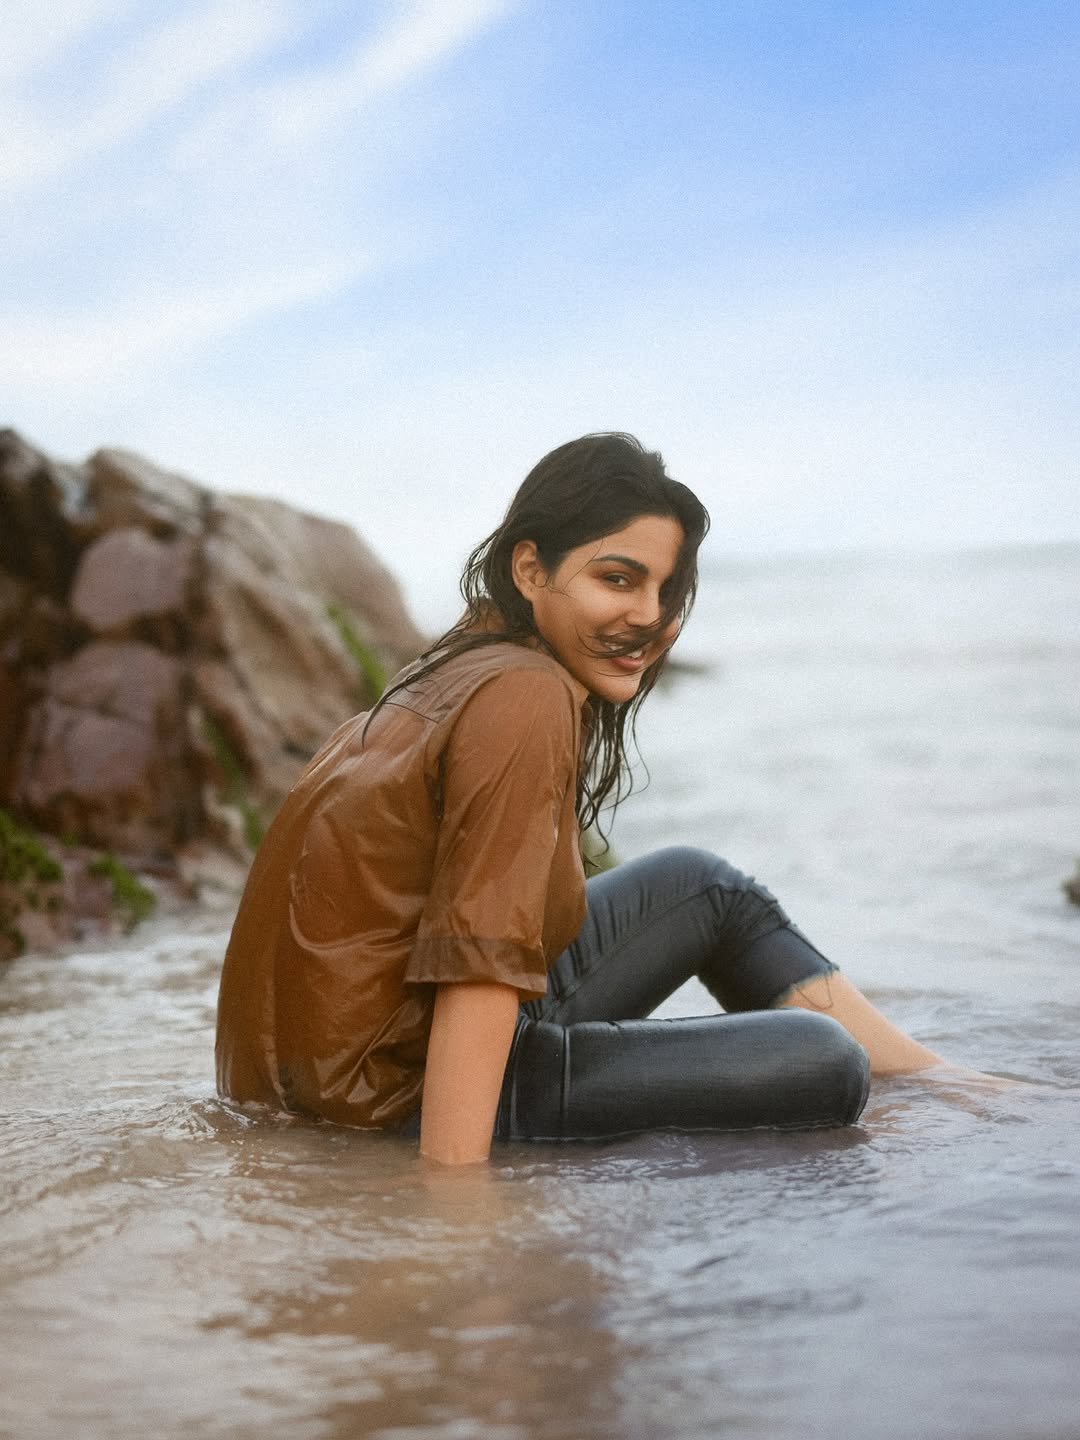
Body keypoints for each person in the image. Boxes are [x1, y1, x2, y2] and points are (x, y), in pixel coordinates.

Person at [216, 432, 951, 1166]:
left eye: (667, 591)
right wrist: (452, 1204)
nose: (650, 617)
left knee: (704, 886)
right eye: (619, 579)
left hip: (334, 1070)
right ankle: (933, 1096)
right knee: (825, 1060)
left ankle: (947, 1085)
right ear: (530, 569)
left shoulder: (452, 668)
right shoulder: (525, 695)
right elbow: (478, 965)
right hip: (389, 1097)